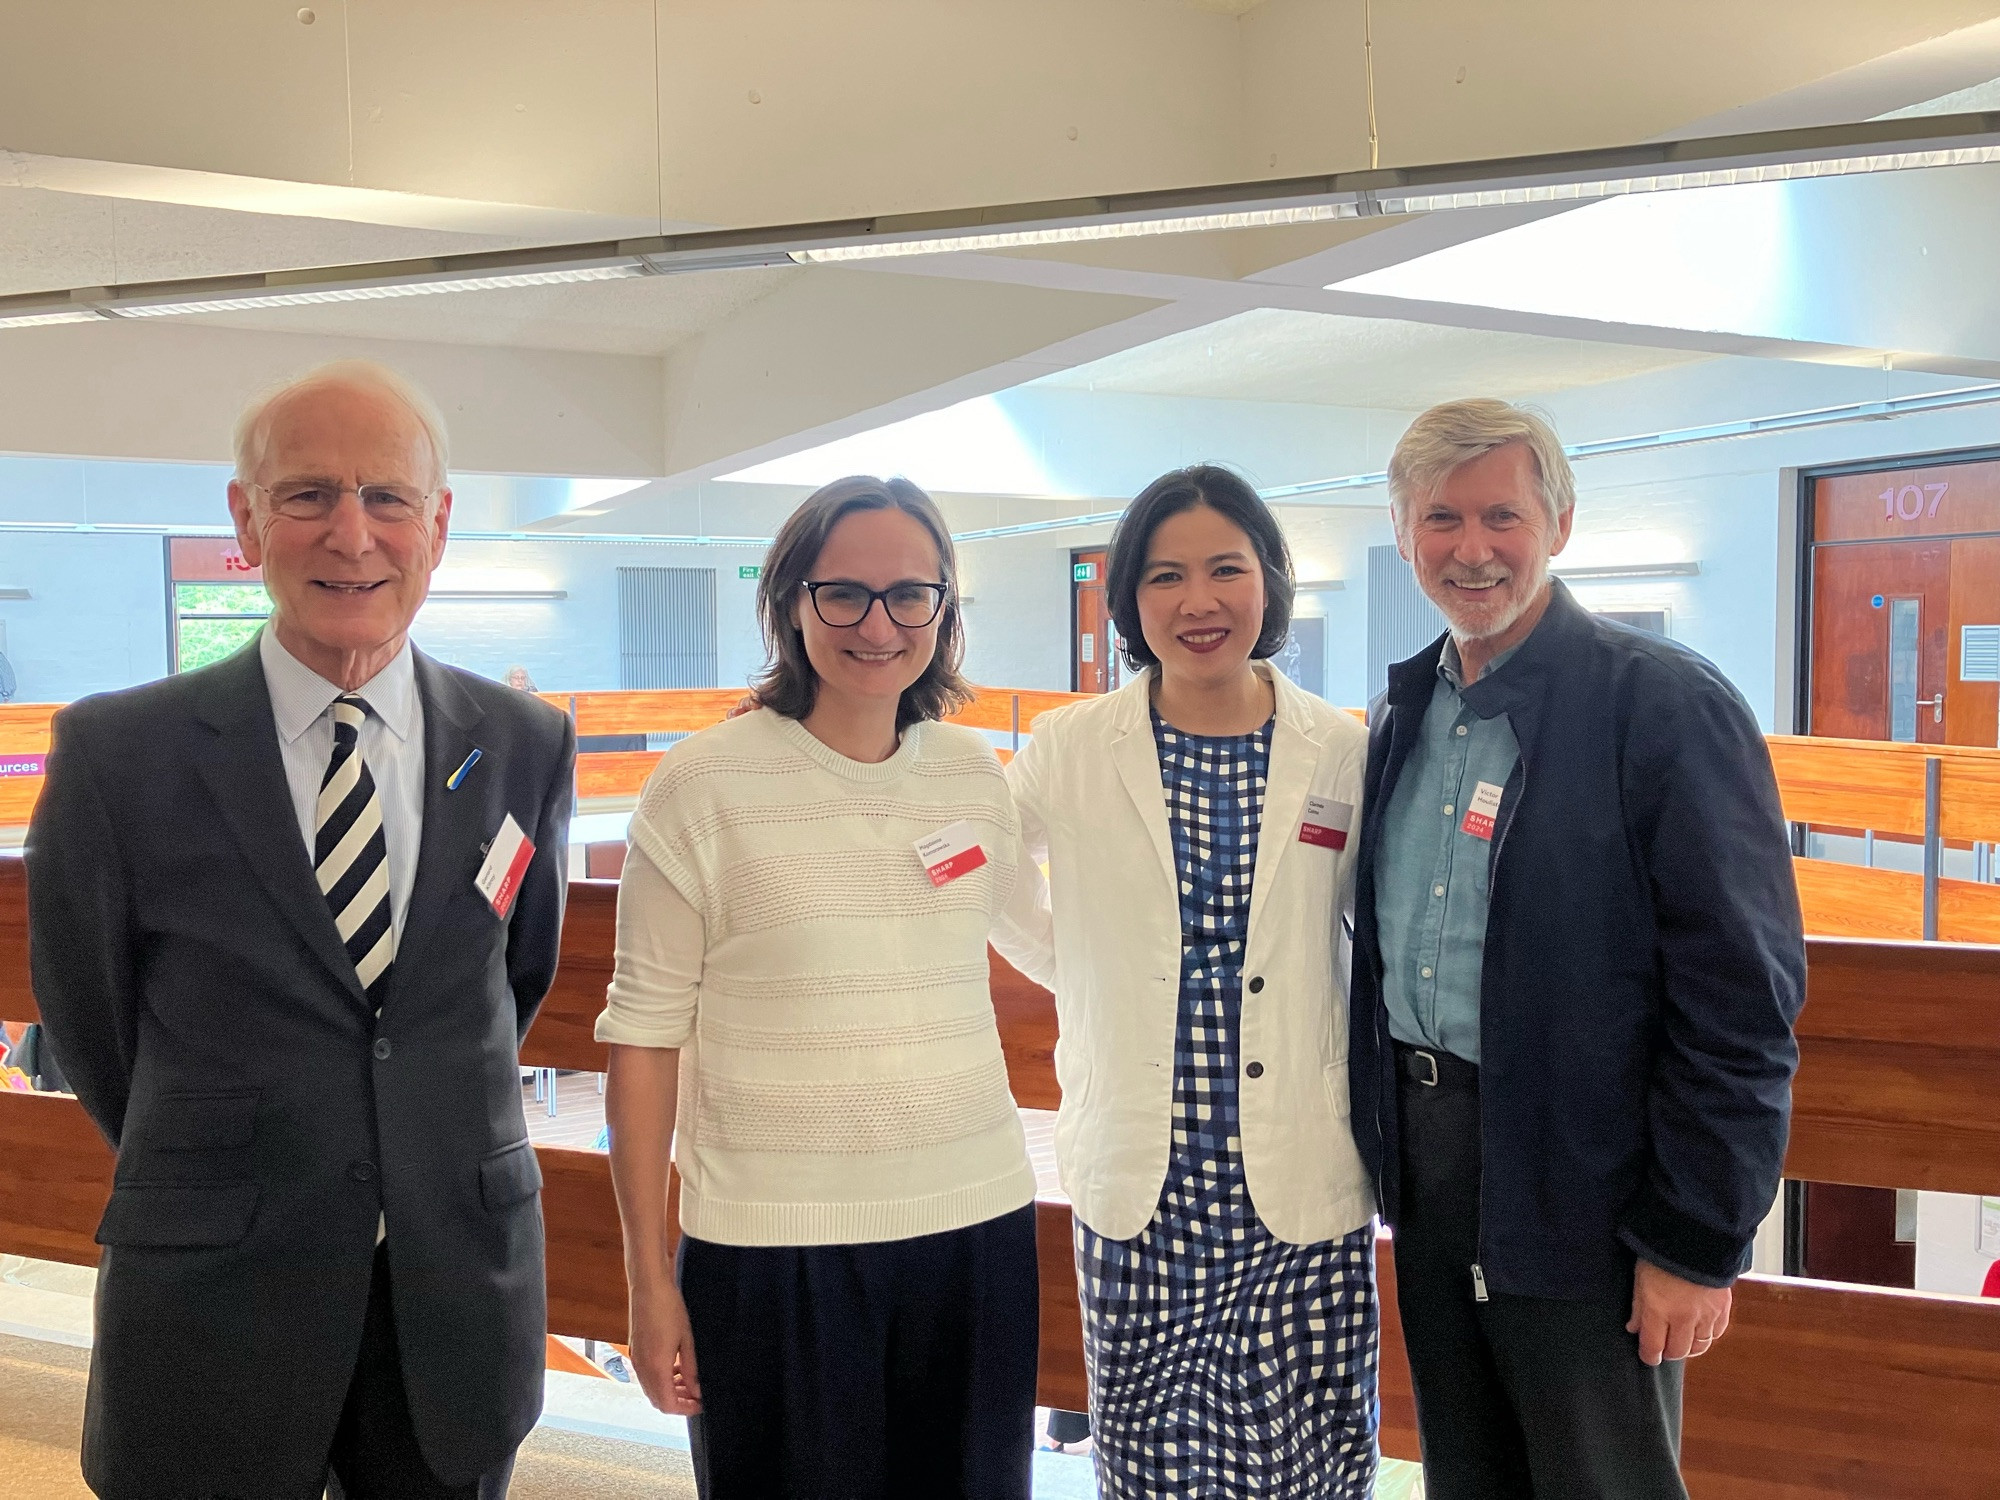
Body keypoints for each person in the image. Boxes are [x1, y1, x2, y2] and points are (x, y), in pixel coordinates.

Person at [25, 360, 575, 1500]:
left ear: (438, 525)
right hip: (216, 1287)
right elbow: (89, 1023)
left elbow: (509, 983)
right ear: (245, 520)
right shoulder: (121, 756)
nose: (352, 535)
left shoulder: (519, 742)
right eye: (308, 494)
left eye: (387, 498)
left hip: (452, 1292)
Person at [1349, 399, 1805, 1499]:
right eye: (1440, 519)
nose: (1470, 549)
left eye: (1499, 514)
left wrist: (1694, 1241)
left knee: (1599, 1481)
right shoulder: (1405, 714)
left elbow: (1740, 1003)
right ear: (1404, 533)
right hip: (1432, 1172)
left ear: (1557, 523)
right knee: (1469, 1473)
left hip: (1589, 1193)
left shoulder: (1660, 707)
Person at [599, 475, 1045, 1499]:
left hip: (973, 1229)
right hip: (771, 1247)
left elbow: (1052, 945)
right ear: (790, 602)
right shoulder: (701, 785)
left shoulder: (974, 775)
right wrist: (645, 1276)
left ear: (943, 608)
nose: (876, 623)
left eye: (908, 594)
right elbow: (641, 1040)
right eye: (842, 593)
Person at [992, 465, 1378, 1498]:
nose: (1195, 602)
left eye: (1224, 569)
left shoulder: (1339, 752)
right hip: (1141, 1179)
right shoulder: (1070, 745)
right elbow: (980, 868)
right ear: (1128, 599)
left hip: (1295, 1165)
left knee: (1309, 1461)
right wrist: (1075, 966)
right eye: (1163, 576)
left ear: (1268, 583)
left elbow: (1375, 932)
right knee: (1152, 1461)